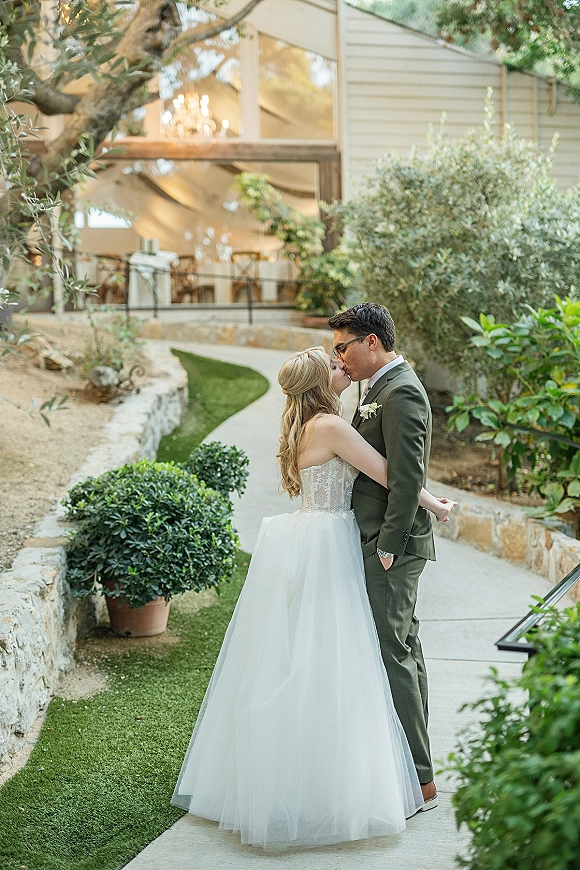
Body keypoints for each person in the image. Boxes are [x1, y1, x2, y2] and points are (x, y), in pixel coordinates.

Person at [171, 347, 455, 850]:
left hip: (304, 536)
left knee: (302, 661)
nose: (341, 364)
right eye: (332, 364)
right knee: (339, 660)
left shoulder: (307, 425)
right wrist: (436, 505)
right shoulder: (330, 426)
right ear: (319, 383)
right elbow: (387, 472)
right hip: (330, 542)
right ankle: (340, 785)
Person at [328, 302, 441, 809]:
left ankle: (419, 778)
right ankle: (413, 770)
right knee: (404, 650)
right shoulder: (375, 388)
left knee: (393, 654)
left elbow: (406, 476)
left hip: (389, 546)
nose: (340, 358)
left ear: (371, 341)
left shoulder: (402, 393)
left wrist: (388, 548)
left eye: (343, 347)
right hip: (378, 540)